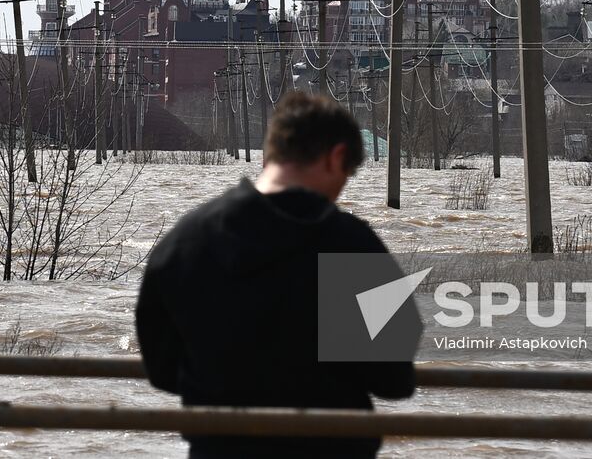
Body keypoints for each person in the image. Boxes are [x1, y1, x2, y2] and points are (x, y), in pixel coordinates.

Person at [135, 90, 416, 458]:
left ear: (272, 153)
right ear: (337, 157)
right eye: (348, 174)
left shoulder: (187, 239)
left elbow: (161, 368)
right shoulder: (350, 244)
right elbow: (393, 379)